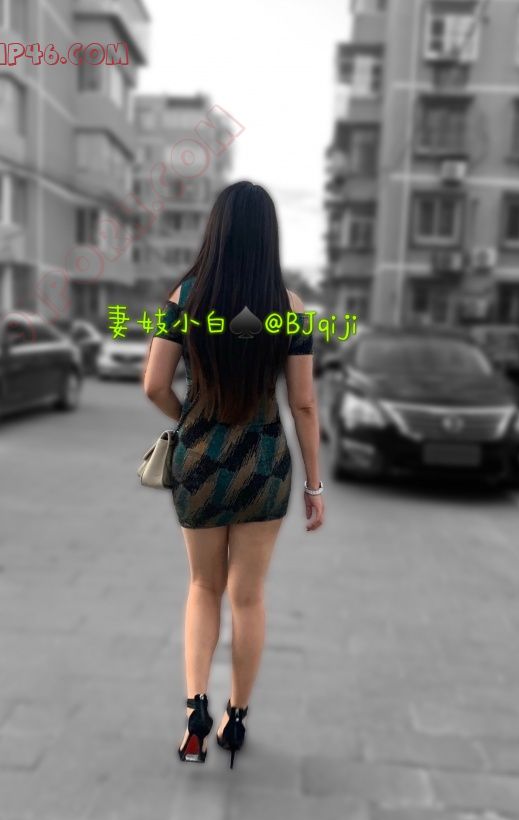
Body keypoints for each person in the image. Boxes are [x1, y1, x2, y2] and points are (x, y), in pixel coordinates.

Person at [142, 181, 324, 770]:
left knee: (203, 587)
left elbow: (154, 384)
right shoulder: (289, 309)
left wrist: (191, 421)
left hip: (200, 462)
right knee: (248, 597)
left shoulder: (186, 298)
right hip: (264, 465)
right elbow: (303, 404)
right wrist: (314, 486)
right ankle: (235, 718)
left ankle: (194, 713)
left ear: (216, 231)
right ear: (268, 236)